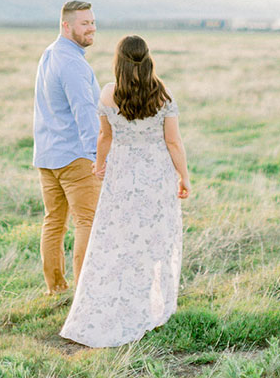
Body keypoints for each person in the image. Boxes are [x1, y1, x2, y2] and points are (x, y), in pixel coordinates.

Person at [60, 35, 190, 347]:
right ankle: (148, 303)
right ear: (148, 59)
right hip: (156, 176)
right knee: (153, 238)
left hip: (122, 176)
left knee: (119, 238)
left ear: (118, 61)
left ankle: (120, 297)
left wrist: (99, 164)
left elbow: (104, 136)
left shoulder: (108, 93)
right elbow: (173, 141)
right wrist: (184, 176)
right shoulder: (162, 94)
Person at [33, 0, 102, 295]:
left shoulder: (49, 55)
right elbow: (85, 112)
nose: (91, 28)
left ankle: (56, 289)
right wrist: (97, 156)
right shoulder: (72, 63)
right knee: (86, 221)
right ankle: (84, 293)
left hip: (48, 156)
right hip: (75, 157)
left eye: (92, 22)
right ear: (66, 25)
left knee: (54, 223)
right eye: (84, 23)